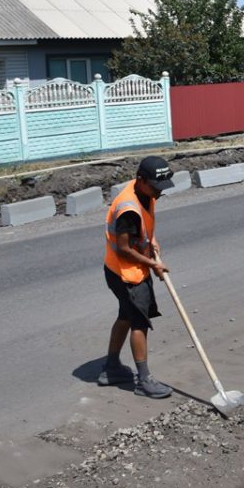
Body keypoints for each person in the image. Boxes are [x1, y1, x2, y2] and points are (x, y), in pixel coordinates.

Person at [100, 155, 176, 399]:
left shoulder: (146, 193)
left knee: (125, 315)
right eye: (156, 187)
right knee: (139, 323)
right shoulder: (128, 210)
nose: (159, 192)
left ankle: (111, 368)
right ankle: (144, 381)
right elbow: (124, 248)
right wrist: (153, 264)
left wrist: (151, 241)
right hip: (126, 274)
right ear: (140, 180)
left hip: (122, 269)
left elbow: (142, 231)